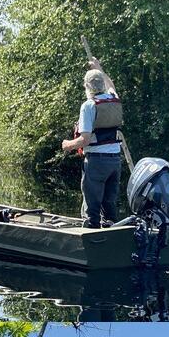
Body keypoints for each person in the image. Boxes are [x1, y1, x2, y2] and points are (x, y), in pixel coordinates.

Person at [61, 59, 123, 228]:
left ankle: (91, 234)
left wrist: (68, 144)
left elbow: (85, 139)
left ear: (87, 87)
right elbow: (111, 84)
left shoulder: (88, 106)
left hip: (97, 161)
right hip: (115, 161)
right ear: (102, 84)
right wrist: (99, 68)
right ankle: (112, 232)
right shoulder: (114, 99)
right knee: (109, 205)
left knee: (92, 208)